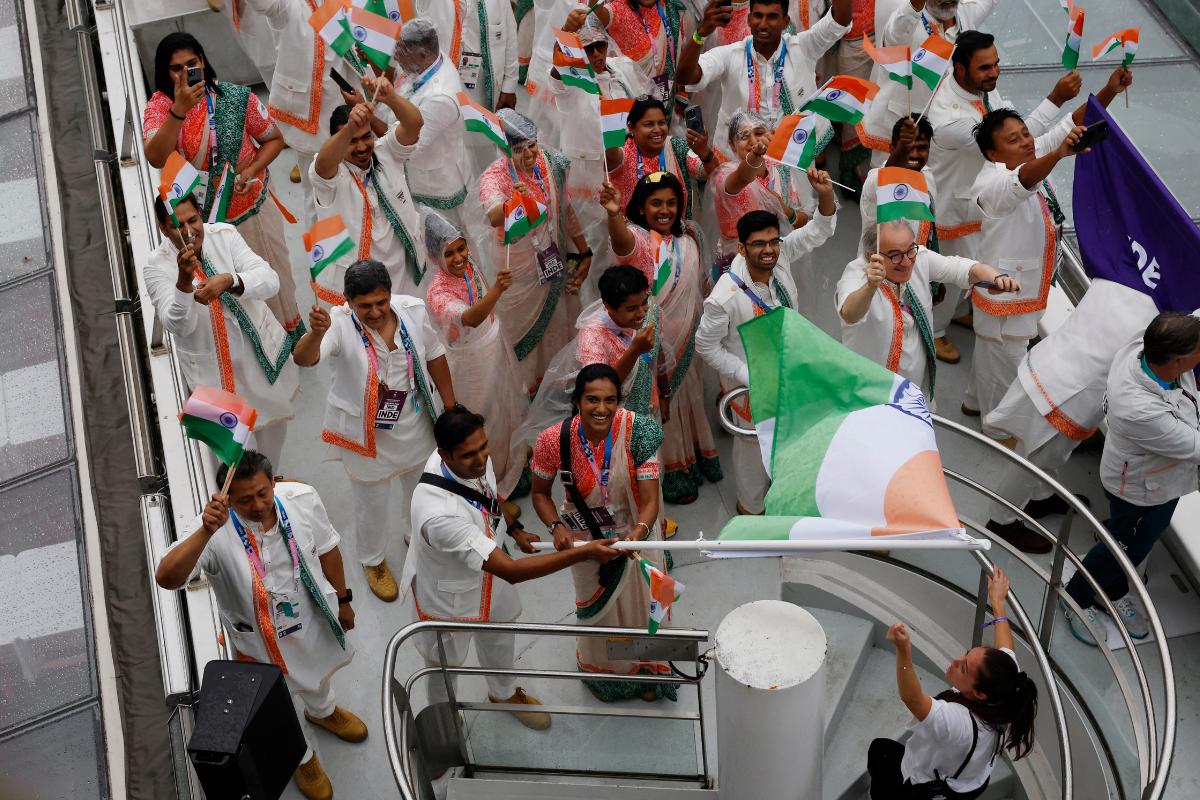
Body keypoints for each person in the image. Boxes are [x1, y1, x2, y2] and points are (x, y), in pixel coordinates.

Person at [155, 452, 365, 800]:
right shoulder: (211, 529)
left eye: (263, 493)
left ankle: (324, 711)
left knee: (320, 674)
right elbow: (166, 577)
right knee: (280, 703)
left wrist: (343, 601)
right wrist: (206, 531)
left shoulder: (301, 498)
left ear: (273, 482)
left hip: (312, 622)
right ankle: (304, 756)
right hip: (260, 645)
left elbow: (328, 548)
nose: (257, 505)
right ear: (227, 498)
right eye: (245, 499)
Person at [404, 407, 620, 722]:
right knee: (444, 665)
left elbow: (489, 496)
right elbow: (511, 572)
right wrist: (584, 551)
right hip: (450, 598)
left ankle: (502, 692)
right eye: (468, 455)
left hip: (489, 570)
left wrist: (515, 530)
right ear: (444, 455)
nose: (480, 460)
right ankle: (442, 718)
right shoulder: (438, 515)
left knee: (501, 635)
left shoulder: (472, 462)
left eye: (483, 447)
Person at [964, 72, 1131, 421]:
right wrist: (1057, 154)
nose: (1027, 141)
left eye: (1026, 133)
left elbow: (1070, 123)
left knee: (990, 358)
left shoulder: (1030, 153)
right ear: (994, 153)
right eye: (1015, 139)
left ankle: (974, 401)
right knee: (1005, 365)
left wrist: (1109, 91)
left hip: (1027, 285)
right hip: (1006, 296)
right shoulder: (989, 184)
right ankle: (997, 430)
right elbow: (1020, 183)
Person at [292, 260, 456, 600]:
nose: (376, 311)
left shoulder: (411, 310)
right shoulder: (338, 326)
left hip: (416, 422)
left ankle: (416, 535)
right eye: (364, 305)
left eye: (381, 302)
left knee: (421, 489)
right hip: (367, 438)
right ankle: (374, 560)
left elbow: (436, 354)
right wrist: (317, 333)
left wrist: (451, 408)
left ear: (390, 294)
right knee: (372, 504)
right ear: (349, 302)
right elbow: (304, 359)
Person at [925, 30, 1082, 363]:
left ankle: (957, 313)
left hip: (982, 202)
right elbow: (1018, 140)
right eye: (984, 68)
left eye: (996, 64)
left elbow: (1016, 135)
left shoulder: (982, 92)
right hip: (953, 209)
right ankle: (935, 330)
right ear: (960, 68)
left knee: (974, 270)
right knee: (952, 275)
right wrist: (1055, 98)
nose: (994, 73)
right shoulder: (949, 119)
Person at [530, 364, 678, 701]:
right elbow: (540, 493)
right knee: (598, 613)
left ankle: (648, 672)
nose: (602, 409)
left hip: (636, 535)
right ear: (578, 401)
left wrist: (636, 536)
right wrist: (556, 528)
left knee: (647, 605)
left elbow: (652, 499)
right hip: (585, 542)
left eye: (610, 400)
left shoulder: (637, 432)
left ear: (619, 401)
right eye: (592, 399)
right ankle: (613, 676)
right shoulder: (553, 441)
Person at [143, 33, 302, 339]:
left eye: (192, 63)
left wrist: (251, 170)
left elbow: (274, 140)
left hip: (251, 209)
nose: (185, 72)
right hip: (205, 225)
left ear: (203, 62)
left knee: (271, 277)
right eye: (176, 68)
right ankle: (254, 349)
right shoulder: (159, 110)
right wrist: (179, 110)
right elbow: (154, 156)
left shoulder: (236, 98)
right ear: (165, 73)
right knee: (224, 292)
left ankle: (288, 341)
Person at [1061, 313, 1200, 647]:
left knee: (1138, 542)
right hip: (1141, 491)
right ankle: (1076, 597)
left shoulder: (1147, 345)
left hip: (1162, 482)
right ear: (1179, 359)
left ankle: (1111, 590)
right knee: (1123, 547)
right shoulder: (1141, 410)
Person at [696, 204, 835, 515]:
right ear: (742, 248)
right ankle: (751, 505)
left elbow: (817, 231)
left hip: (788, 371)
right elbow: (706, 346)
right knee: (751, 444)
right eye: (759, 244)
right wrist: (748, 375)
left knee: (787, 432)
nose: (769, 250)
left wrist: (826, 197)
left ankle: (782, 488)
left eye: (774, 241)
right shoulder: (725, 297)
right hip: (750, 385)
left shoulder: (781, 259)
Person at [144, 194, 299, 468]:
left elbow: (269, 281)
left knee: (273, 444)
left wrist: (231, 280)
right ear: (163, 228)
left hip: (260, 361)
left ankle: (271, 488)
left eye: (194, 220)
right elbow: (177, 325)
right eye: (179, 226)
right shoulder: (155, 267)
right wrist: (183, 283)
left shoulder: (225, 235)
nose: (190, 231)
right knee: (233, 464)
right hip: (212, 378)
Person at [604, 173, 725, 504]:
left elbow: (701, 283)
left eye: (672, 202)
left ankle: (698, 454)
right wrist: (615, 214)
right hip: (653, 345)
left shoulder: (692, 236)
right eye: (656, 203)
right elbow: (620, 242)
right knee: (664, 406)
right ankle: (673, 469)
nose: (665, 209)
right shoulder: (640, 240)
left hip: (689, 336)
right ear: (641, 208)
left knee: (689, 397)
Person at [870, 566, 1039, 799]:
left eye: (964, 667)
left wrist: (903, 650)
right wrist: (998, 603)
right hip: (973, 781)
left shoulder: (959, 723)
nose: (955, 661)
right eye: (966, 654)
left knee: (880, 752)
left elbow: (912, 699)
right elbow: (1006, 648)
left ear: (980, 694)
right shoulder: (1007, 684)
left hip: (926, 787)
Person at [836, 220, 1016, 399]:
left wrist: (996, 277)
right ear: (871, 256)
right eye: (895, 255)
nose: (906, 262)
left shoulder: (918, 257)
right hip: (869, 391)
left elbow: (960, 269)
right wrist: (870, 286)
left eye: (910, 250)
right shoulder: (856, 274)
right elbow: (850, 314)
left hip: (913, 389)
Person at [479, 109, 590, 395]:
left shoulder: (548, 162)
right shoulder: (495, 176)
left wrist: (584, 250)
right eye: (518, 149)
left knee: (558, 321)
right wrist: (513, 202)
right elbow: (493, 216)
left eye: (532, 145)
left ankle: (560, 383)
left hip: (553, 257)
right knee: (524, 334)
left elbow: (564, 209)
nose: (528, 154)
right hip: (520, 269)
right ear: (505, 150)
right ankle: (526, 390)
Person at [423, 211, 529, 502]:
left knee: (504, 406)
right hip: (470, 363)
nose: (458, 257)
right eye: (449, 253)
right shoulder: (437, 292)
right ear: (434, 258)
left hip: (494, 346)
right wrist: (497, 289)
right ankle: (490, 487)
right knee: (484, 418)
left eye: (461, 248)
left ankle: (511, 465)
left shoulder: (468, 267)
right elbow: (469, 318)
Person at [676, 0, 852, 159]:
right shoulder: (731, 55)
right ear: (749, 19)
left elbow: (840, 21)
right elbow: (685, 76)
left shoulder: (803, 47)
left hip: (791, 158)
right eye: (758, 16)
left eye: (772, 17)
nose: (763, 24)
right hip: (740, 162)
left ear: (785, 21)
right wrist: (700, 33)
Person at [245, 0, 368, 222]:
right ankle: (322, 252)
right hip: (310, 116)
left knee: (355, 180)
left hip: (347, 103)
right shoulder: (287, 5)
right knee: (316, 190)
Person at [310, 79, 427, 302]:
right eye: (352, 141)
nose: (362, 147)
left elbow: (414, 124)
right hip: (358, 282)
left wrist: (390, 97)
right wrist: (351, 128)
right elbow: (323, 163)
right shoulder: (330, 173)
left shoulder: (385, 152)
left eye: (366, 137)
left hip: (404, 271)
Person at [553, 16, 645, 294]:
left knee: (626, 233)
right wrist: (566, 33)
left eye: (600, 46)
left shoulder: (622, 69)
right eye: (589, 48)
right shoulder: (571, 81)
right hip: (587, 176)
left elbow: (644, 106)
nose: (596, 54)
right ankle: (593, 302)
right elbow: (556, 72)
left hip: (626, 165)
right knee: (592, 241)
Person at [394, 19, 493, 267]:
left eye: (402, 51)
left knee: (448, 249)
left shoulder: (439, 96)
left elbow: (408, 145)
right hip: (434, 170)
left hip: (436, 184)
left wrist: (383, 105)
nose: (396, 56)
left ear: (422, 53)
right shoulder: (433, 63)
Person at [857, 0, 1001, 166]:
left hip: (948, 128)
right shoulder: (904, 18)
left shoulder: (965, 12)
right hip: (903, 126)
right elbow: (894, 37)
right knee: (890, 183)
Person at [415, 0, 520, 176]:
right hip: (446, 84)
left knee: (485, 147)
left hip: (486, 88)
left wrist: (509, 85)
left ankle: (488, 190)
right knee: (450, 147)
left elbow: (509, 35)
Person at [708, 111, 817, 275]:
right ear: (731, 145)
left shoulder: (779, 171)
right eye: (744, 136)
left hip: (772, 260)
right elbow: (743, 177)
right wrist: (756, 155)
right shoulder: (726, 175)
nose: (753, 141)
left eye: (759, 133)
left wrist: (786, 211)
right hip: (735, 266)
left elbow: (801, 221)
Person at [605, 96, 716, 229]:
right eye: (649, 124)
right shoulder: (625, 153)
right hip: (636, 239)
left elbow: (707, 173)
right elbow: (610, 155)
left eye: (661, 123)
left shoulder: (675, 146)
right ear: (631, 127)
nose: (657, 129)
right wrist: (609, 116)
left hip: (676, 238)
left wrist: (704, 152)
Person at [594, 0, 693, 113]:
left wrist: (682, 88)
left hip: (672, 100)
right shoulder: (618, 9)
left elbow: (681, 49)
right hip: (636, 101)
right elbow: (596, 15)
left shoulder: (671, 7)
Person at [859, 115, 937, 250]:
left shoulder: (928, 177)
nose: (914, 154)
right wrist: (903, 147)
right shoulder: (876, 180)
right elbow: (888, 176)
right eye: (908, 148)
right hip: (878, 269)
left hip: (914, 265)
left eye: (922, 148)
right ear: (892, 148)